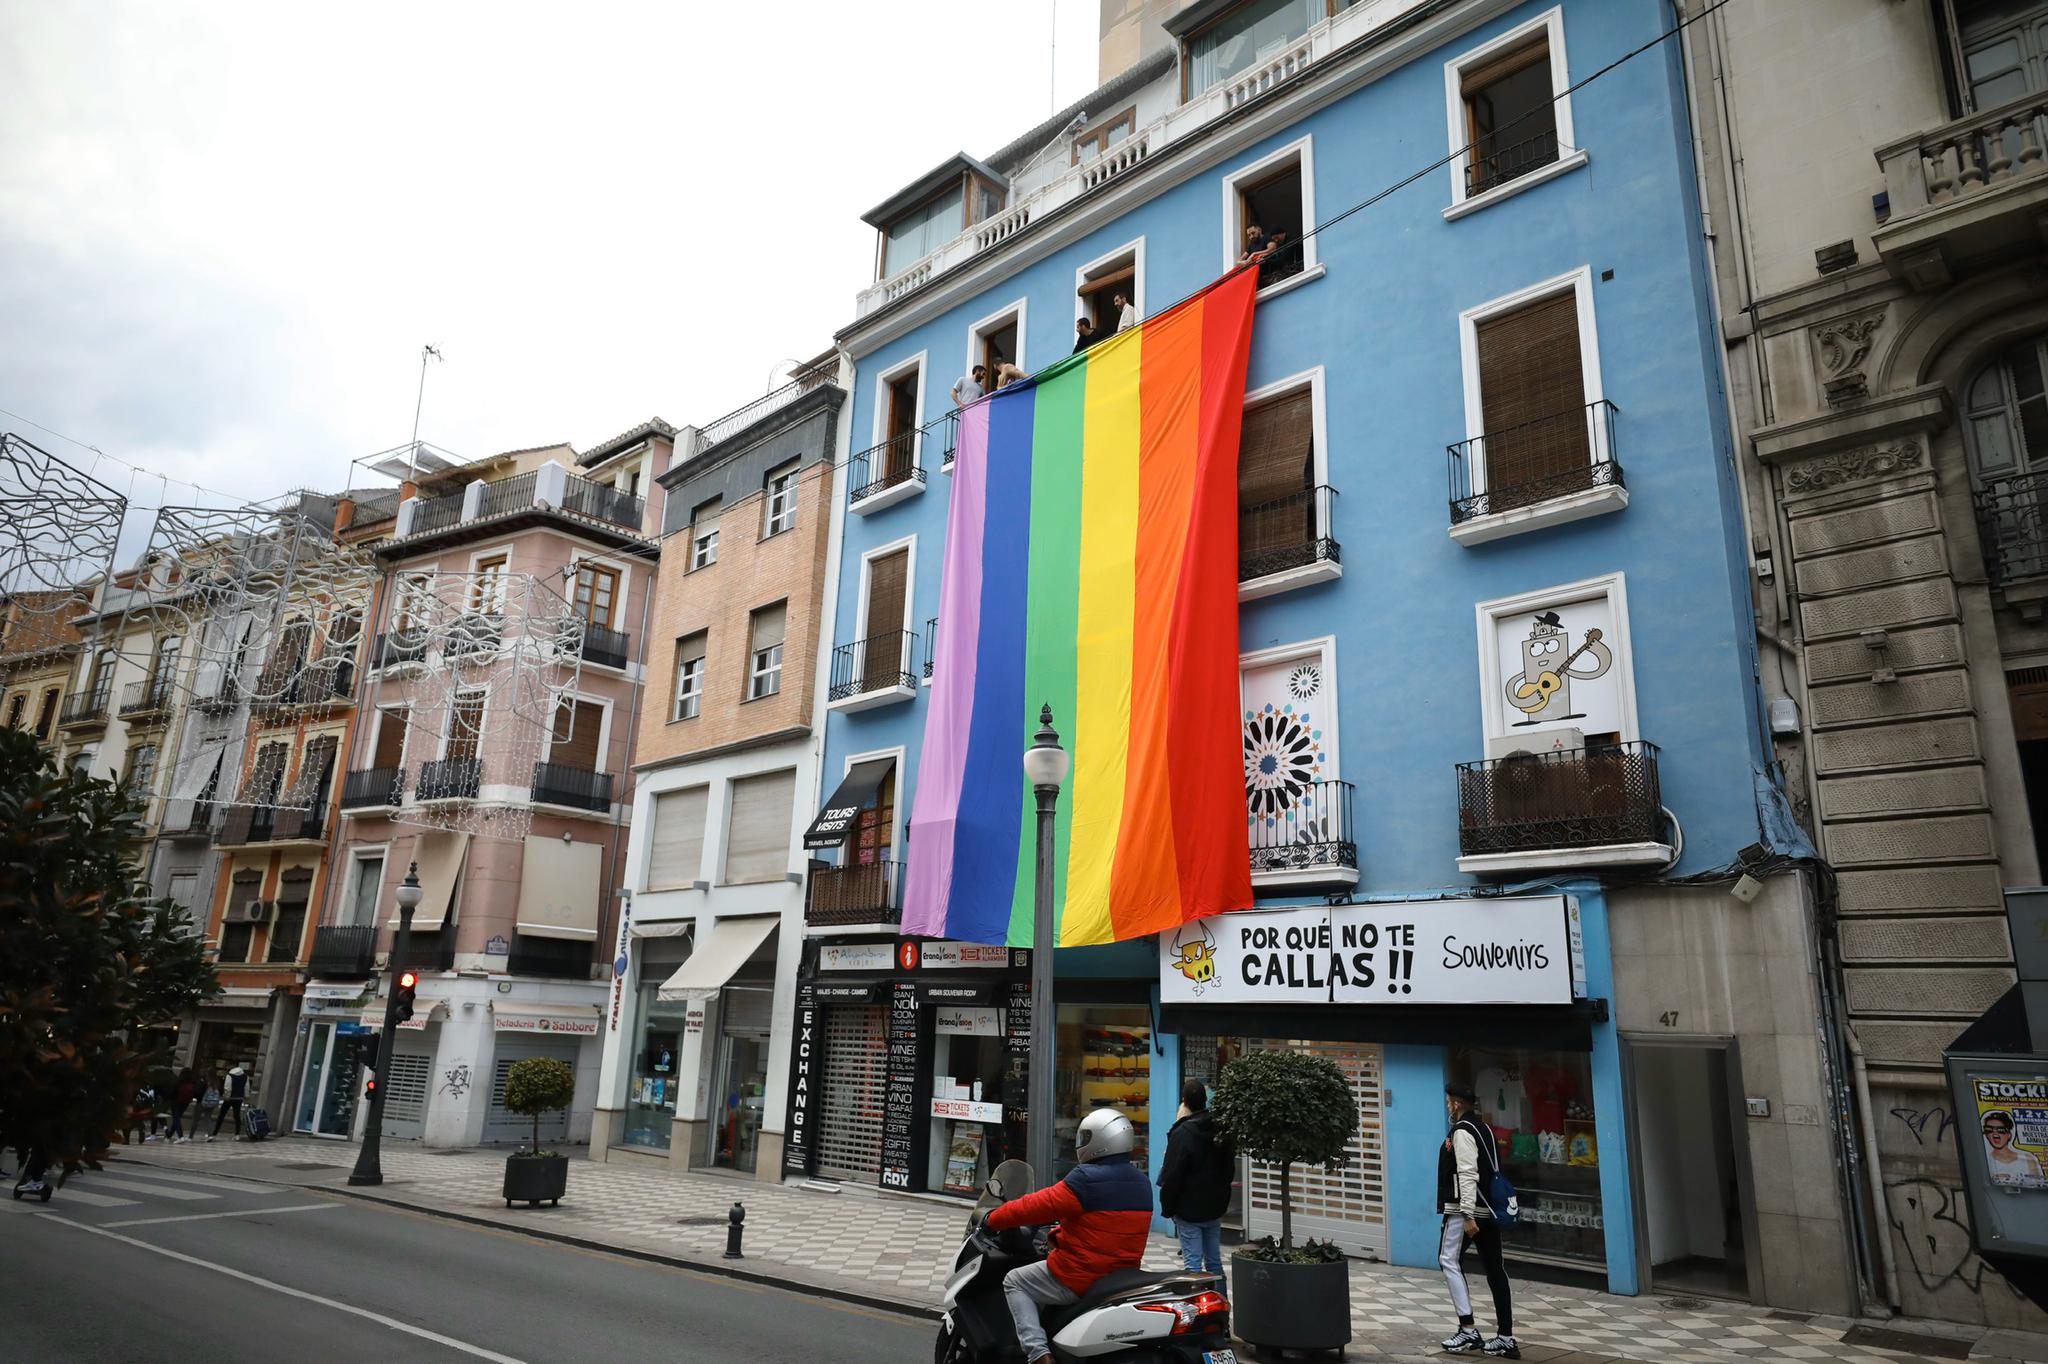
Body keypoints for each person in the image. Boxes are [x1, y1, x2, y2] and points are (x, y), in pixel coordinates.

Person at [984, 1109, 1152, 1364]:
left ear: (1099, 1140)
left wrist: (993, 1219)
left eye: (1086, 1137)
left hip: (1080, 1275)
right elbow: (1104, 1225)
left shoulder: (1085, 1179)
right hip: (1120, 1276)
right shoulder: (1142, 1182)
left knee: (1015, 1281)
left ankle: (1038, 1354)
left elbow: (1033, 1206)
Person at [1439, 1082, 1516, 1358]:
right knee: (1495, 1269)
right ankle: (1506, 1337)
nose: (1448, 1104)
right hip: (1489, 1210)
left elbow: (1467, 1173)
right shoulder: (1484, 1129)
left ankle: (1468, 1329)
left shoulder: (1462, 1131)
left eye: (1449, 1100)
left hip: (1467, 1211)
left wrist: (1467, 1214)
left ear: (1457, 1104)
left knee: (1448, 1260)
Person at [1158, 1078, 1233, 1294]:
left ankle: (1198, 1309)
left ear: (1185, 1101)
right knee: (1214, 1262)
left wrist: (1168, 1207)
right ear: (1205, 1100)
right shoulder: (1219, 1129)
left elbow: (1172, 1174)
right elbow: (1228, 1168)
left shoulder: (1182, 1133)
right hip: (1214, 1207)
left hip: (1188, 1209)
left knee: (1192, 1265)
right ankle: (1221, 1304)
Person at [1982, 1110, 2048, 1188]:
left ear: (2009, 1134)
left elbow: (2040, 1186)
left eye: (2000, 1130)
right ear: (1986, 1135)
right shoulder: (1983, 1161)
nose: (1995, 1133)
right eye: (1989, 1129)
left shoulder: (2028, 1159)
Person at [210, 1062, 252, 1141]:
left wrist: (226, 1097)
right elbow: (247, 1088)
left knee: (221, 1115)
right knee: (237, 1116)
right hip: (239, 1098)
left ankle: (214, 1134)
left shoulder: (229, 1076)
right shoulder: (245, 1076)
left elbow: (227, 1088)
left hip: (230, 1098)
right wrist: (246, 1097)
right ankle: (237, 1134)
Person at [165, 1067, 198, 1143]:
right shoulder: (192, 1082)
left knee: (176, 1119)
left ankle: (180, 1136)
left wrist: (168, 1098)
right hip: (185, 1103)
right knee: (177, 1119)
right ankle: (169, 1136)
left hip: (176, 1102)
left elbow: (172, 1091)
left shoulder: (178, 1081)